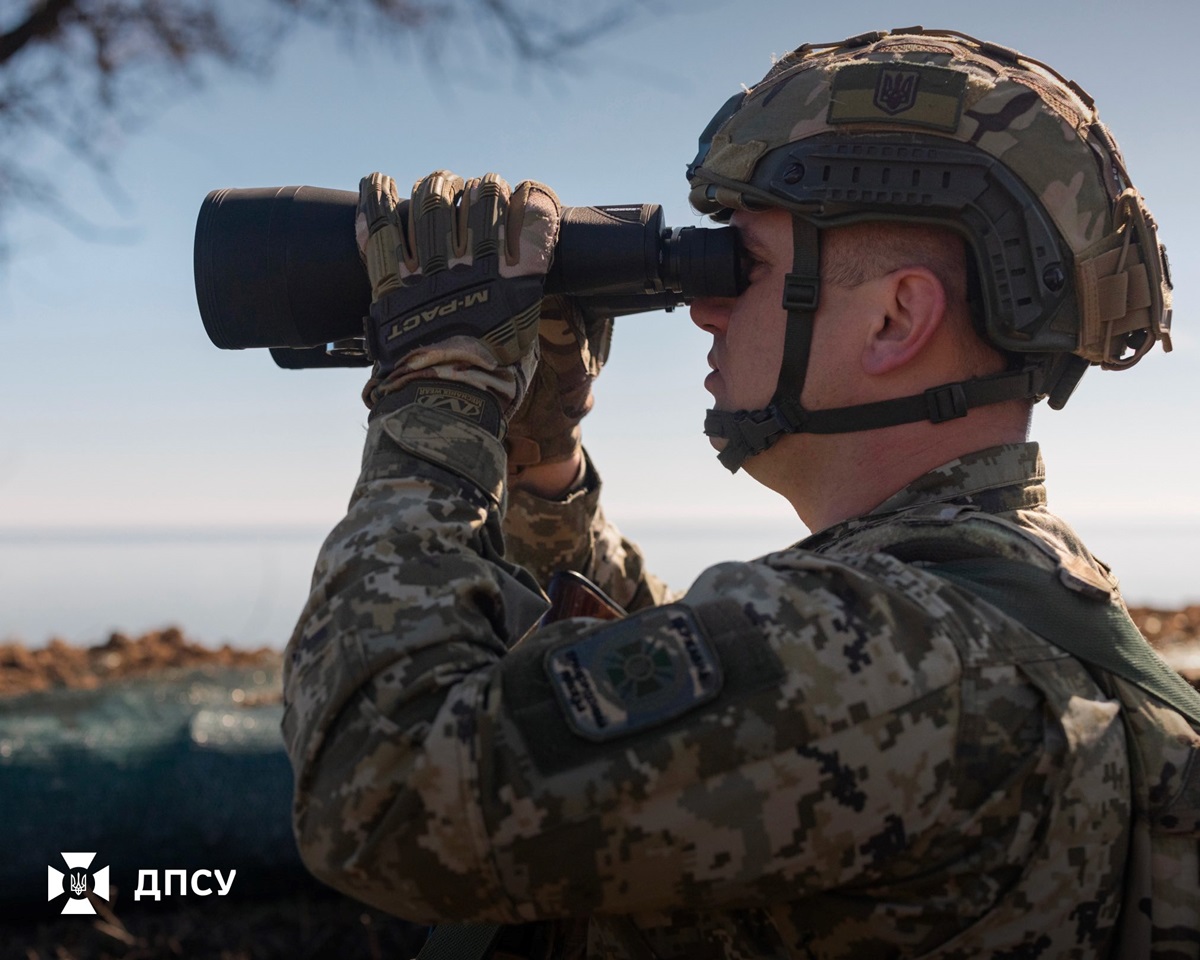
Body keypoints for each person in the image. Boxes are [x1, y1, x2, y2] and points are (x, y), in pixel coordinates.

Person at [281, 28, 1198, 958]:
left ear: (895, 318)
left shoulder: (901, 656)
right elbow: (669, 687)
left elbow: (384, 791)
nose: (704, 307)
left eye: (745, 266)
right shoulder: (1010, 597)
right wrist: (538, 460)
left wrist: (441, 392)